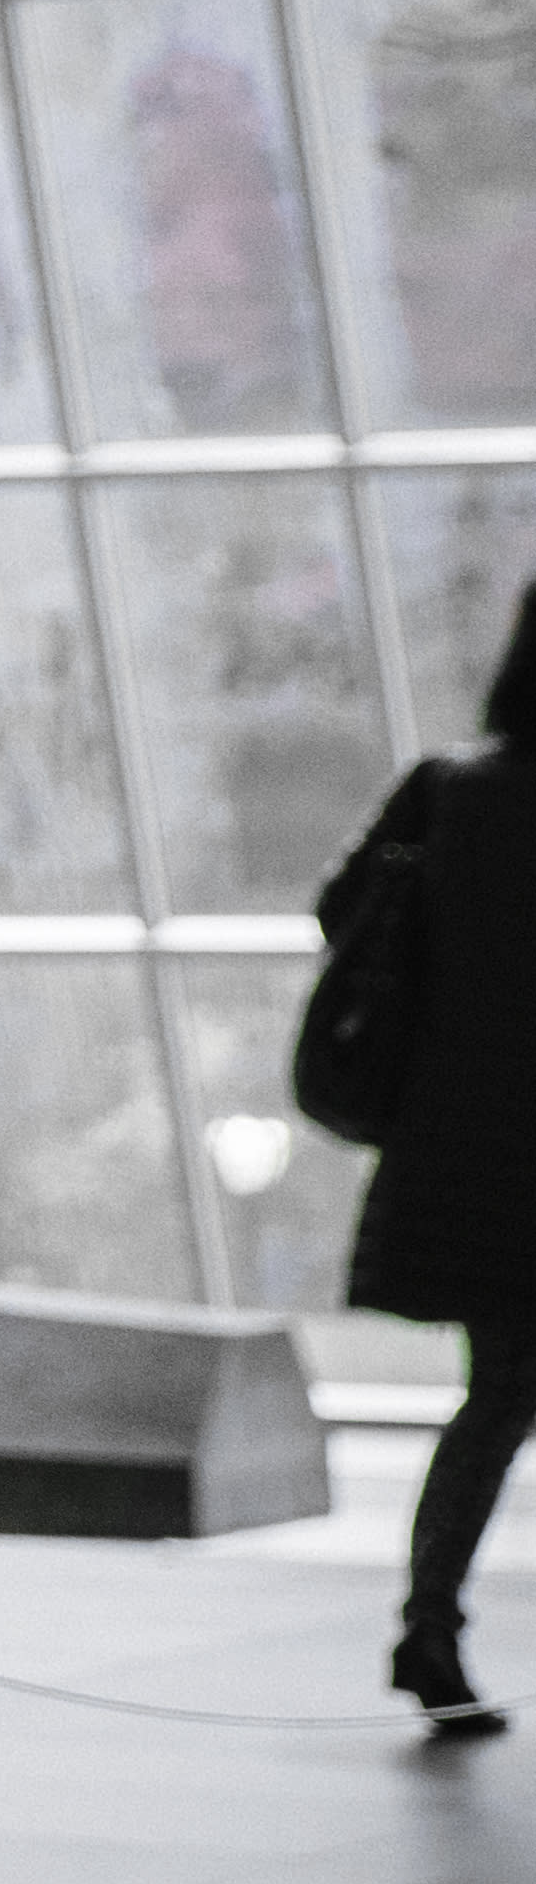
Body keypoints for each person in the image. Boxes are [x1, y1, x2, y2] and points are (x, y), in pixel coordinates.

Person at [320, 584, 535, 1739]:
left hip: (470, 1161)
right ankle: (428, 1629)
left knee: (495, 1396)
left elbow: (340, 913)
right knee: (500, 1397)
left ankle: (431, 1627)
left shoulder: (451, 792)